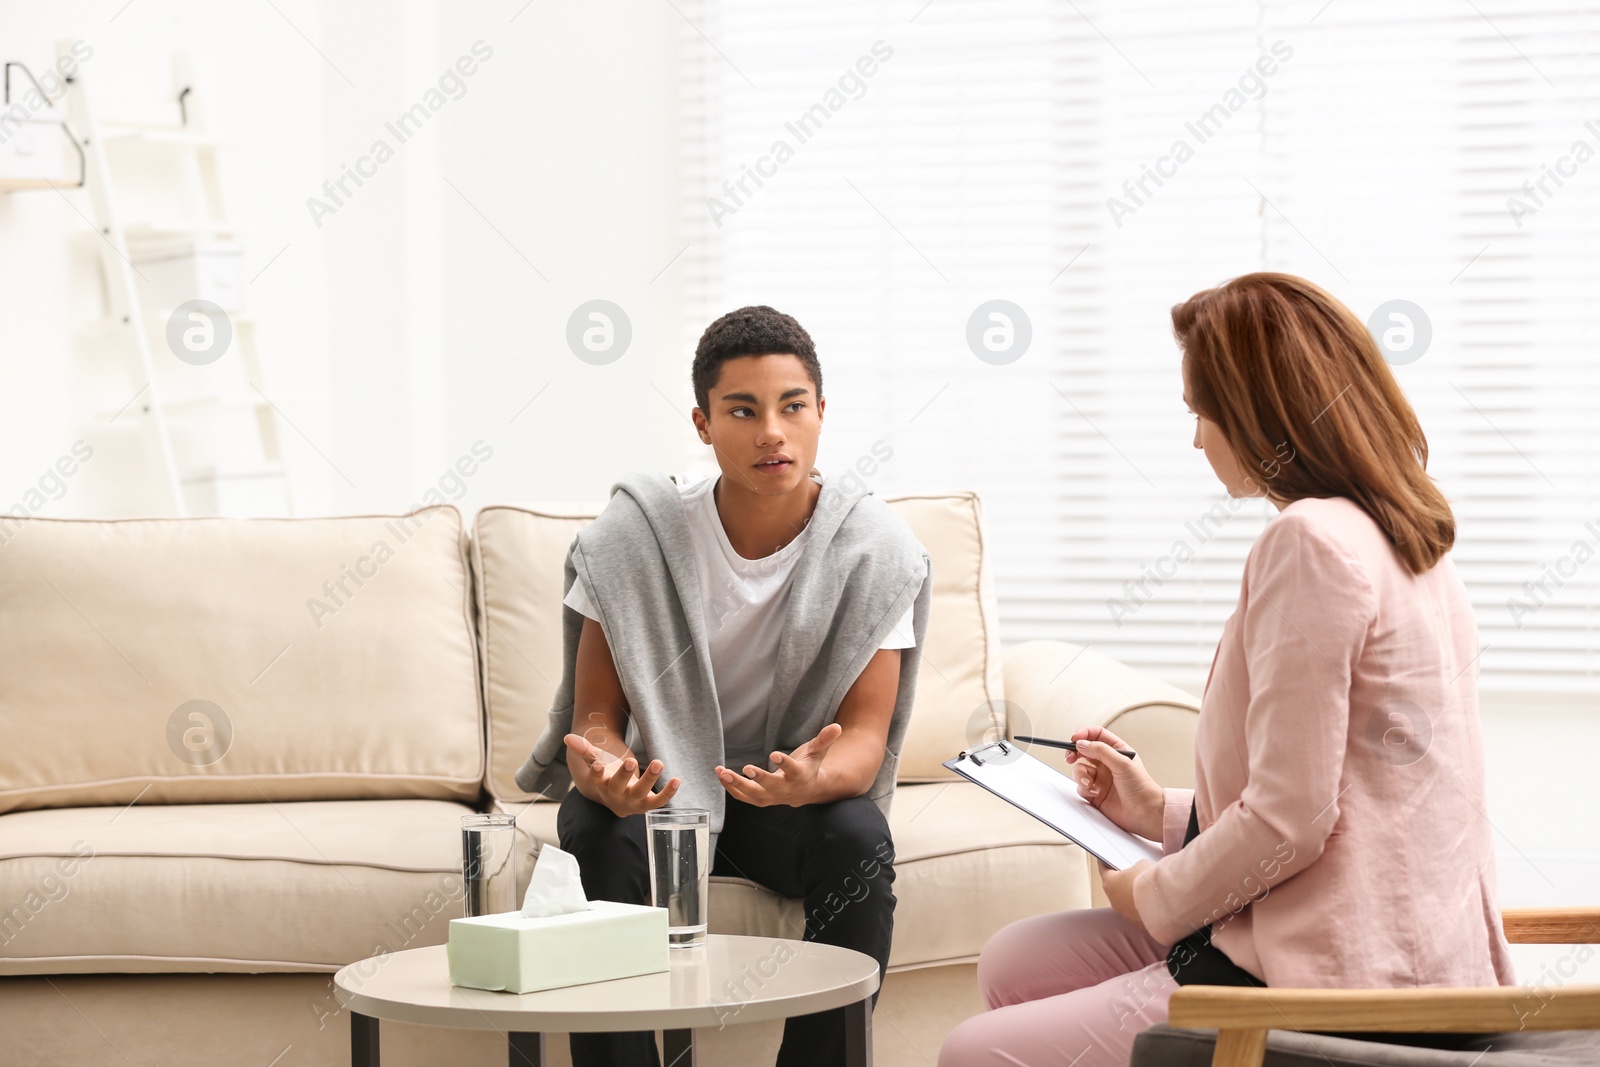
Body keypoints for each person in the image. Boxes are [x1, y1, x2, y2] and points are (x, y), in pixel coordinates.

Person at [939, 273, 1516, 1067]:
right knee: (1013, 959)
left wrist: (1151, 892)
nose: (1198, 438)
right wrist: (1158, 813)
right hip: (1411, 951)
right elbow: (1349, 790)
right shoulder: (1403, 536)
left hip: (1344, 984)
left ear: (1258, 412)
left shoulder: (1310, 543)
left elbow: (1290, 821)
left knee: (974, 1052)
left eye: (1200, 412)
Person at [515, 305, 932, 1067]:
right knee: (594, 830)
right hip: (666, 788)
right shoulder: (630, 540)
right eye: (743, 410)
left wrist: (812, 778)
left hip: (783, 802)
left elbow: (866, 741)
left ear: (821, 414)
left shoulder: (877, 552)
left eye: (792, 406)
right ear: (705, 425)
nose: (772, 430)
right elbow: (597, 715)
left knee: (859, 838)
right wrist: (604, 767)